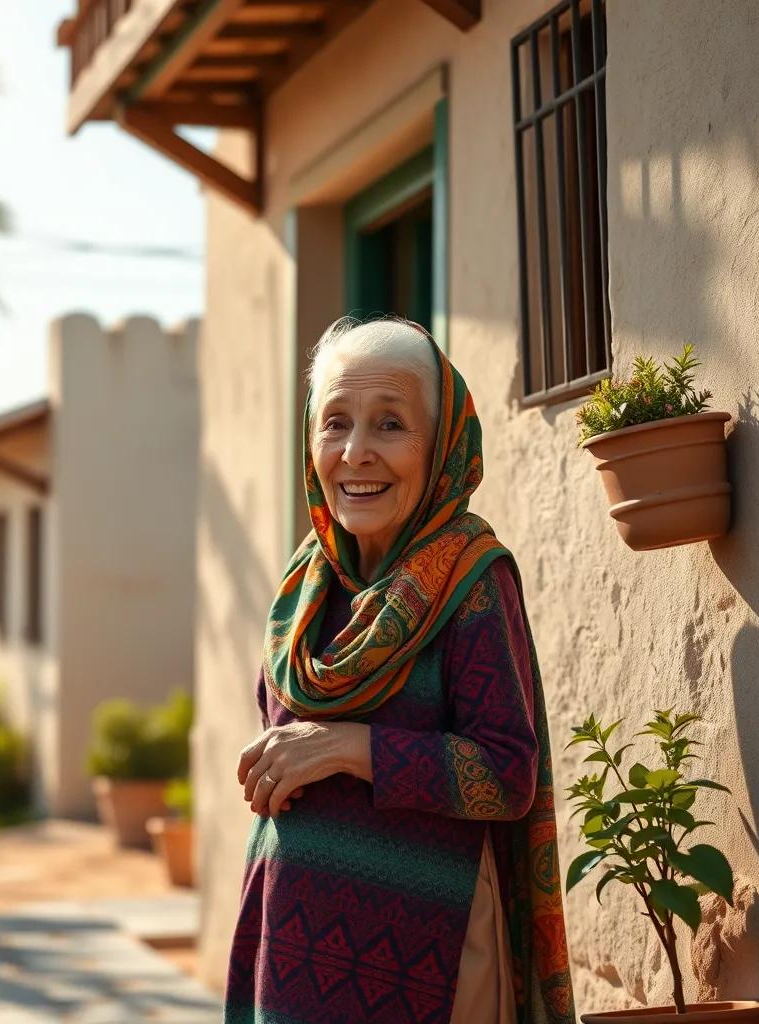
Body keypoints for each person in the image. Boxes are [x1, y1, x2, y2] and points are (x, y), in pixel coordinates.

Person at [223, 317, 575, 1024]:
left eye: (390, 425)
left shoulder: (469, 581)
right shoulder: (306, 586)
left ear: (441, 443)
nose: (356, 453)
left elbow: (507, 775)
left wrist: (348, 748)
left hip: (422, 969)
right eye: (335, 423)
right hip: (292, 961)